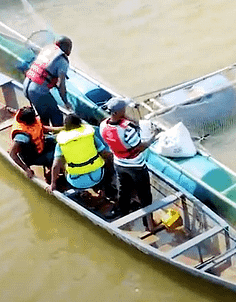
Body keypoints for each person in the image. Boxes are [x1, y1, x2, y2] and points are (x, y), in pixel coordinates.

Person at [99, 97, 158, 228]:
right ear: (119, 111)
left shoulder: (103, 125)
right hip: (136, 165)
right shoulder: (127, 129)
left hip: (119, 163)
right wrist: (153, 138)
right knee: (145, 195)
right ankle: (148, 223)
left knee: (123, 190)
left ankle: (123, 214)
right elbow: (140, 147)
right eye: (123, 109)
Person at [49, 114, 118, 218]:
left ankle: (80, 195)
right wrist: (112, 173)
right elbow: (107, 155)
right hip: (97, 177)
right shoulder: (90, 136)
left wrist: (53, 184)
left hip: (76, 182)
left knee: (63, 163)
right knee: (104, 162)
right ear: (79, 124)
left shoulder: (61, 143)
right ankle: (104, 191)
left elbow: (55, 166)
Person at [24, 35, 73, 127]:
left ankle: (44, 134)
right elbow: (60, 85)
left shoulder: (47, 50)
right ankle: (55, 138)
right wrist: (66, 102)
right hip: (37, 92)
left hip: (26, 85)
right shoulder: (62, 61)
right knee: (56, 116)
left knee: (44, 115)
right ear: (66, 47)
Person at [8, 106, 59, 181]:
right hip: (32, 156)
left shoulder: (23, 114)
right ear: (28, 122)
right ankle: (52, 174)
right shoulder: (22, 136)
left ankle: (53, 168)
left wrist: (62, 129)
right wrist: (26, 169)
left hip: (41, 144)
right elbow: (12, 153)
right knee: (57, 156)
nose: (35, 119)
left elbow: (42, 128)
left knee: (58, 140)